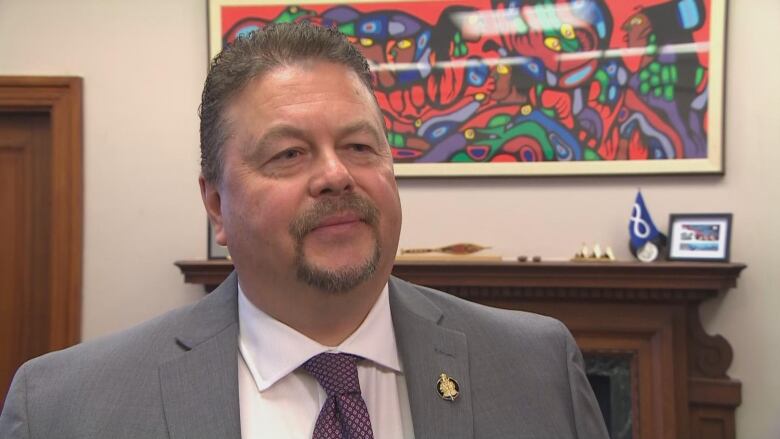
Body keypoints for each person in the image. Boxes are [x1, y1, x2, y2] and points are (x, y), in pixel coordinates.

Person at [0, 23, 608, 439]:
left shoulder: (536, 365)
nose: (337, 175)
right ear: (216, 204)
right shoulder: (67, 406)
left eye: (360, 146)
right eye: (289, 155)